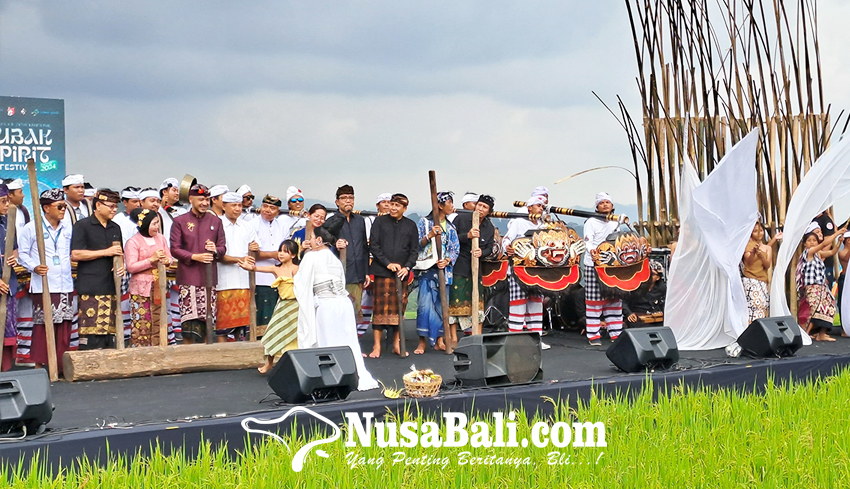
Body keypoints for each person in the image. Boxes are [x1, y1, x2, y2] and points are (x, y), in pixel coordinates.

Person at [293, 223, 378, 391]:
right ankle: (352, 374)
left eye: (311, 238)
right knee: (348, 341)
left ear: (318, 240)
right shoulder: (335, 259)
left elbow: (301, 283)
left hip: (326, 304)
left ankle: (331, 378)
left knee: (327, 341)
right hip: (343, 304)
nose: (309, 241)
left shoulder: (311, 257)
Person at [18, 188, 78, 373]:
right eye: (59, 206)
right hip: (44, 285)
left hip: (65, 283)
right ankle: (41, 363)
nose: (63, 210)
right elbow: (22, 255)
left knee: (64, 324)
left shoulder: (68, 228)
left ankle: (60, 364)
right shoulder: (32, 228)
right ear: (46, 208)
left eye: (64, 207)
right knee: (44, 325)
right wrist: (35, 266)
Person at [170, 184, 226, 344]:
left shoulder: (216, 221)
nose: (204, 203)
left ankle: (207, 356)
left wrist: (215, 250)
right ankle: (189, 358)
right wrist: (195, 256)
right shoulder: (180, 221)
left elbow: (222, 248)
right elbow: (175, 249)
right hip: (188, 280)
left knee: (208, 321)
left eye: (207, 199)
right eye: (201, 199)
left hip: (209, 281)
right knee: (189, 325)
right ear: (191, 199)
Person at [70, 189, 125, 350]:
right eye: (111, 206)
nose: (114, 210)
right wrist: (105, 252)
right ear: (98, 205)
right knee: (91, 334)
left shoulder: (115, 228)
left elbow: (119, 252)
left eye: (116, 206)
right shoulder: (83, 225)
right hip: (91, 287)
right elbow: (76, 253)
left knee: (109, 334)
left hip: (111, 286)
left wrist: (121, 265)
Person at [368, 193, 419, 358]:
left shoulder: (411, 225)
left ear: (405, 208)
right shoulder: (379, 222)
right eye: (391, 204)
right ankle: (377, 346)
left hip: (402, 274)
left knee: (399, 310)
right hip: (382, 271)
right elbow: (374, 245)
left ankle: (397, 344)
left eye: (398, 206)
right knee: (379, 311)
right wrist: (387, 263)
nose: (393, 208)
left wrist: (407, 267)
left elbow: (414, 251)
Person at [240, 240, 300, 374]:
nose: (281, 254)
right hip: (283, 306)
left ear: (293, 255)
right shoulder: (276, 268)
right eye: (280, 251)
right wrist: (249, 267)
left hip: (296, 306)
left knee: (295, 336)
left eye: (286, 251)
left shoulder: (297, 269)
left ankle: (296, 365)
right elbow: (258, 268)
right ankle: (269, 363)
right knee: (272, 333)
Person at [414, 191, 459, 354]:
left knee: (442, 307)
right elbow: (417, 244)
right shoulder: (424, 223)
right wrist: (430, 235)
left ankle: (440, 340)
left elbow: (455, 249)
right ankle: (422, 342)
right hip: (427, 270)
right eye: (450, 203)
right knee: (424, 307)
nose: (452, 206)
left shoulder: (451, 227)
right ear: (440, 205)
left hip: (444, 271)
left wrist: (447, 260)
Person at [502, 195, 549, 349]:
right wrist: (507, 247)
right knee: (518, 304)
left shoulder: (543, 224)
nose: (541, 208)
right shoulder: (518, 222)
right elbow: (506, 240)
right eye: (538, 206)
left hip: (538, 270)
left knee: (536, 304)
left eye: (542, 206)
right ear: (529, 208)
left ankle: (536, 340)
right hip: (519, 269)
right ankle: (515, 340)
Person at [124, 208, 174, 346]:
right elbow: (131, 266)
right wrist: (151, 260)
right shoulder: (133, 242)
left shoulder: (161, 238)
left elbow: (169, 258)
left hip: (158, 286)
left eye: (158, 223)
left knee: (159, 321)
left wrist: (166, 261)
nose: (157, 227)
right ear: (144, 225)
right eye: (153, 224)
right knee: (142, 324)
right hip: (141, 289)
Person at [216, 192, 259, 342]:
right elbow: (217, 254)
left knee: (242, 325)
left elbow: (255, 250)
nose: (237, 209)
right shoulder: (216, 224)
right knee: (223, 325)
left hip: (244, 280)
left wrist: (254, 248)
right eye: (233, 205)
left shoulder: (247, 226)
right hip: (224, 281)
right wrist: (240, 259)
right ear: (224, 206)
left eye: (239, 205)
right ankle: (222, 354)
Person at [449, 195, 496, 335]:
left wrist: (482, 252)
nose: (480, 209)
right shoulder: (461, 219)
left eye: (485, 207)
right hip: (459, 267)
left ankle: (477, 334)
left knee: (477, 305)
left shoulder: (489, 227)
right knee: (455, 304)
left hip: (476, 269)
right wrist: (467, 236)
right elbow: (450, 240)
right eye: (479, 205)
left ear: (489, 211)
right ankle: (452, 337)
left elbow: (490, 248)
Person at [583, 192, 623, 345]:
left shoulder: (616, 222)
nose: (605, 205)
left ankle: (616, 333)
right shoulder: (591, 222)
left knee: (614, 298)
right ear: (597, 206)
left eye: (608, 202)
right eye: (602, 203)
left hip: (612, 266)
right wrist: (592, 251)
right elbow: (588, 241)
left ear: (612, 206)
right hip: (593, 264)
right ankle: (593, 335)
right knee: (594, 300)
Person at [796, 222, 845, 342]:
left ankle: (821, 334)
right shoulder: (808, 253)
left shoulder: (818, 254)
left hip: (822, 287)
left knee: (830, 306)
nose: (812, 242)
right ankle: (805, 334)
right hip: (812, 288)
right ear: (804, 243)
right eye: (809, 240)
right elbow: (824, 243)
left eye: (814, 240)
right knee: (815, 308)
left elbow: (832, 252)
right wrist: (837, 232)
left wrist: (839, 242)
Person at [331, 185, 370, 332]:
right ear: (337, 202)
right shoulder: (332, 220)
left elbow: (364, 248)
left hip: (358, 271)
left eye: (351, 197)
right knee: (341, 311)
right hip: (340, 273)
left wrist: (366, 271)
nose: (348, 200)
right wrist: (336, 244)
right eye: (344, 198)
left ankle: (353, 345)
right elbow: (325, 243)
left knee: (355, 311)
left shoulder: (360, 220)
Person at [250, 195, 288, 334]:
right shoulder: (252, 224)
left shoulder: (283, 226)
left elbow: (286, 250)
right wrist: (273, 254)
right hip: (259, 277)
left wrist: (281, 255)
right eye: (265, 206)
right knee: (261, 317)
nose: (267, 210)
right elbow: (251, 253)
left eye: (272, 208)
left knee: (277, 316)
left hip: (279, 277)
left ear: (278, 211)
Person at [741, 223, 782, 323]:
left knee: (763, 305)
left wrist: (760, 255)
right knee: (754, 305)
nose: (759, 233)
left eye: (761, 231)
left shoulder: (767, 248)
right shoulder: (746, 245)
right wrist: (753, 253)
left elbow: (767, 265)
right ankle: (750, 328)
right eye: (755, 231)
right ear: (751, 233)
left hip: (762, 280)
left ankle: (759, 330)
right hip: (750, 280)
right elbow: (749, 262)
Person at [0, 184, 18, 370]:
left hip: (8, 282)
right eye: (3, 201)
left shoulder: (7, 223)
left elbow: (15, 248)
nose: (6, 205)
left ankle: (4, 370)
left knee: (6, 328)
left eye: (7, 201)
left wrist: (14, 257)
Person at [623, 261, 667, 327]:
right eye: (647, 273)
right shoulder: (635, 286)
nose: (648, 276)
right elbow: (623, 301)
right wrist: (629, 313)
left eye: (652, 274)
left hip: (655, 318)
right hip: (637, 317)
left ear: (658, 278)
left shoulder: (661, 288)